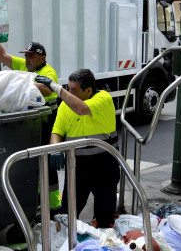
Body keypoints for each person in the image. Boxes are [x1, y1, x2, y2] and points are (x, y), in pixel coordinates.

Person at [36, 68, 119, 228]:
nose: (69, 92)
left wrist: (56, 87)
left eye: (73, 90)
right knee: (67, 213)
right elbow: (56, 132)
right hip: (78, 165)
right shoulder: (66, 105)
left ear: (89, 90)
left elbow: (81, 109)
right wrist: (55, 149)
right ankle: (66, 245)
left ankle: (104, 244)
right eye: (68, 88)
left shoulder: (103, 98)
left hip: (104, 165)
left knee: (104, 215)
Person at [0, 40, 62, 211]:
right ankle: (36, 200)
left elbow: (47, 89)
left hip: (47, 123)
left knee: (46, 163)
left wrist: (18, 83)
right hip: (32, 123)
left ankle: (53, 205)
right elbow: (1, 55)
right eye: (27, 56)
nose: (28, 59)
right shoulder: (24, 66)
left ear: (43, 58)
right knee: (33, 162)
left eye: (32, 56)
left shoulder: (48, 71)